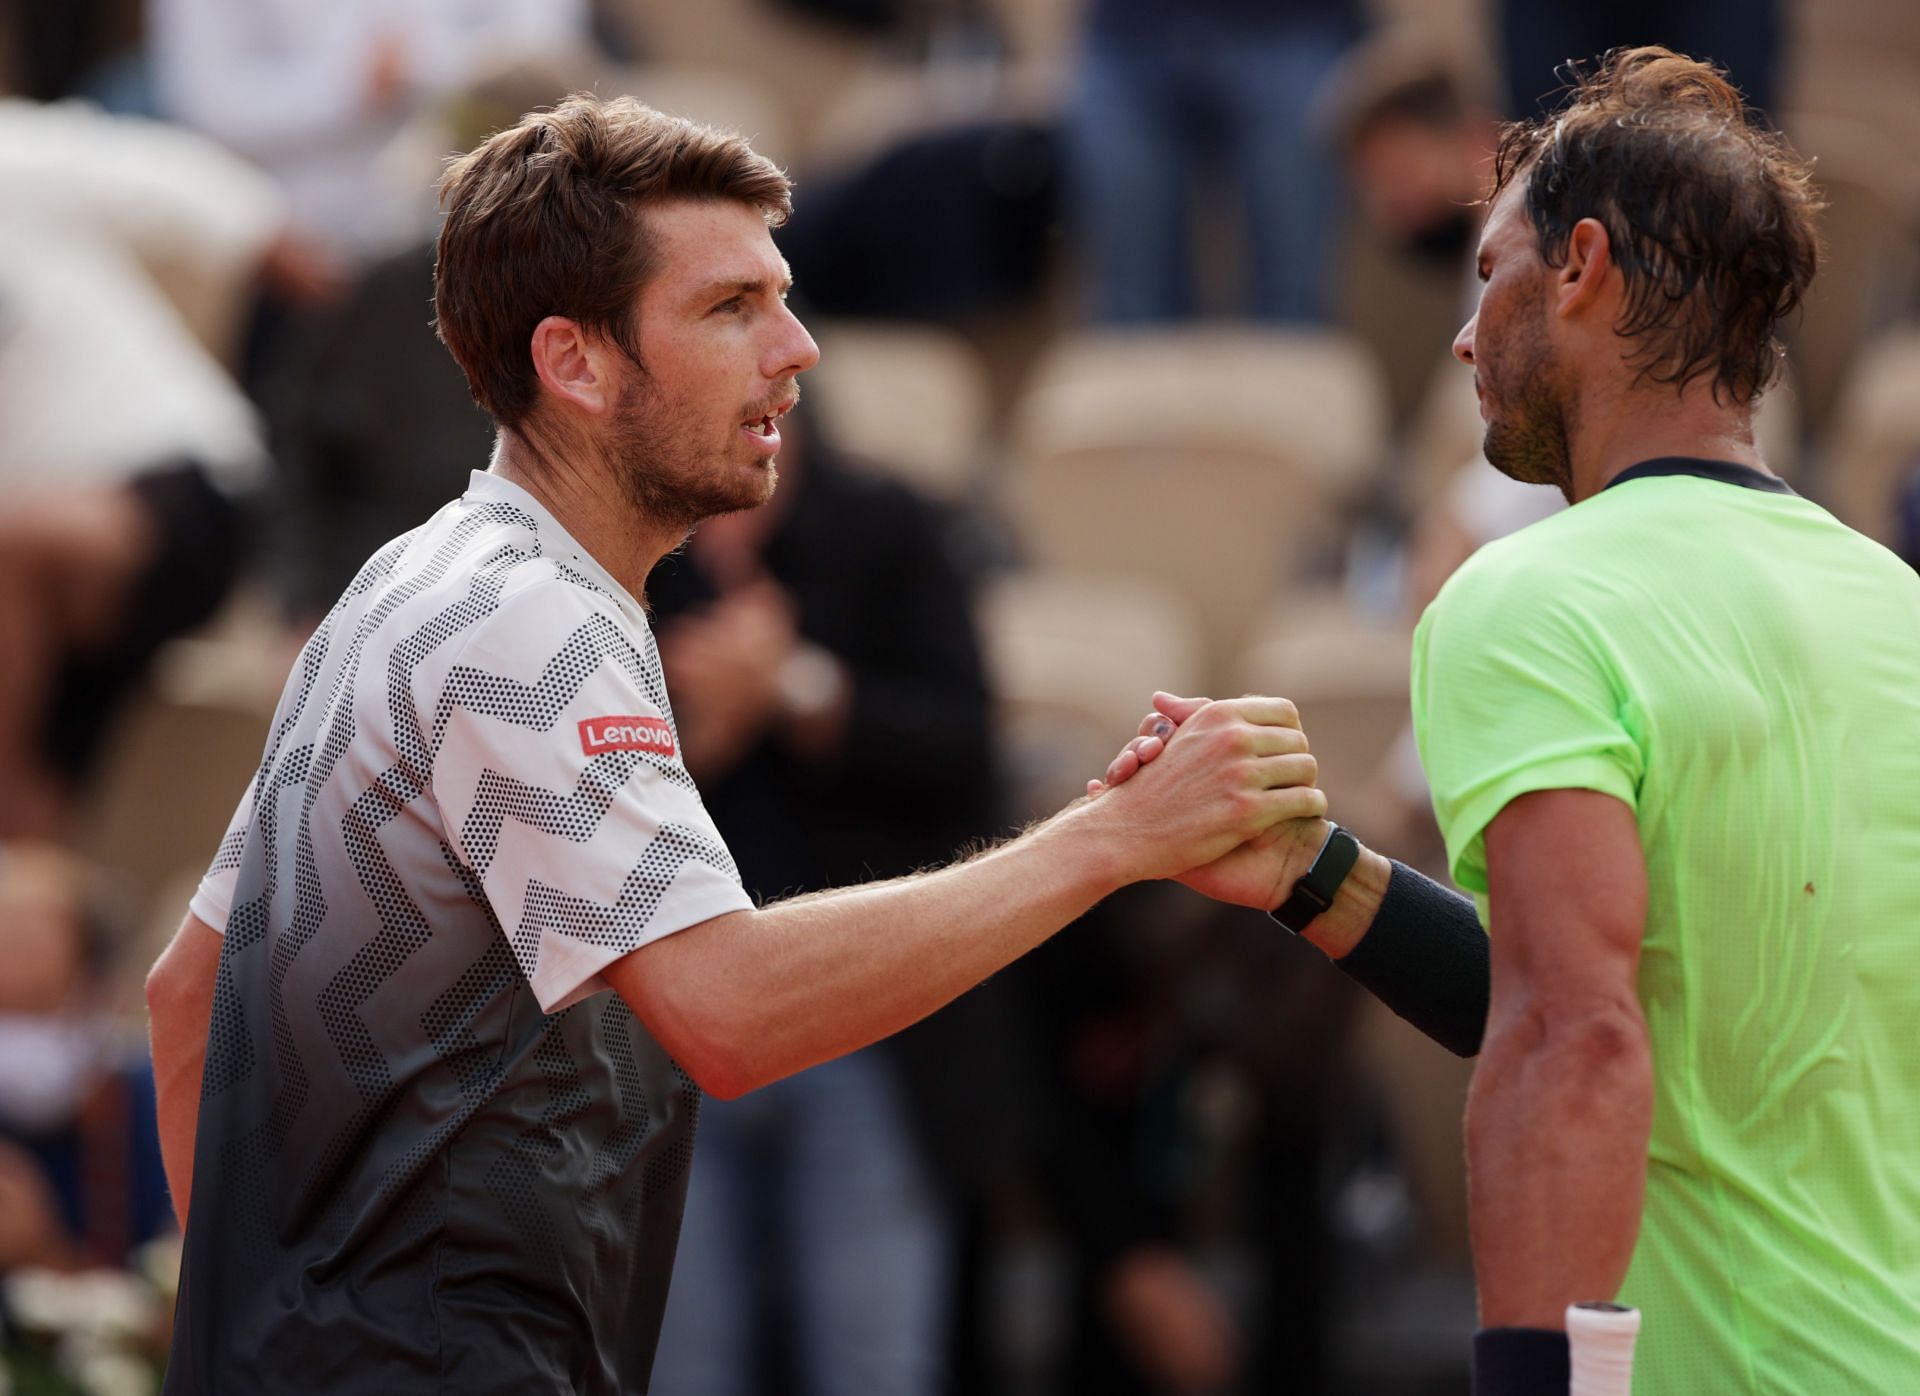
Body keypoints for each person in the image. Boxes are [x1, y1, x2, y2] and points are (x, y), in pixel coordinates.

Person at [141, 95, 1328, 1396]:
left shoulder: (407, 582)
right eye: (730, 309)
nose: (799, 349)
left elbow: (187, 1002)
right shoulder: (536, 621)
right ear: (578, 364)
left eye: (783, 297)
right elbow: (731, 1012)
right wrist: (1115, 839)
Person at [1095, 47, 1920, 1395]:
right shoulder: (1895, 603)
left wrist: (1533, 1376)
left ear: (1582, 267)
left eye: (1491, 274)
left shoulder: (1529, 596)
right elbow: (1613, 988)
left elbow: (1571, 1039)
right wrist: (1316, 875)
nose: (1470, 334)